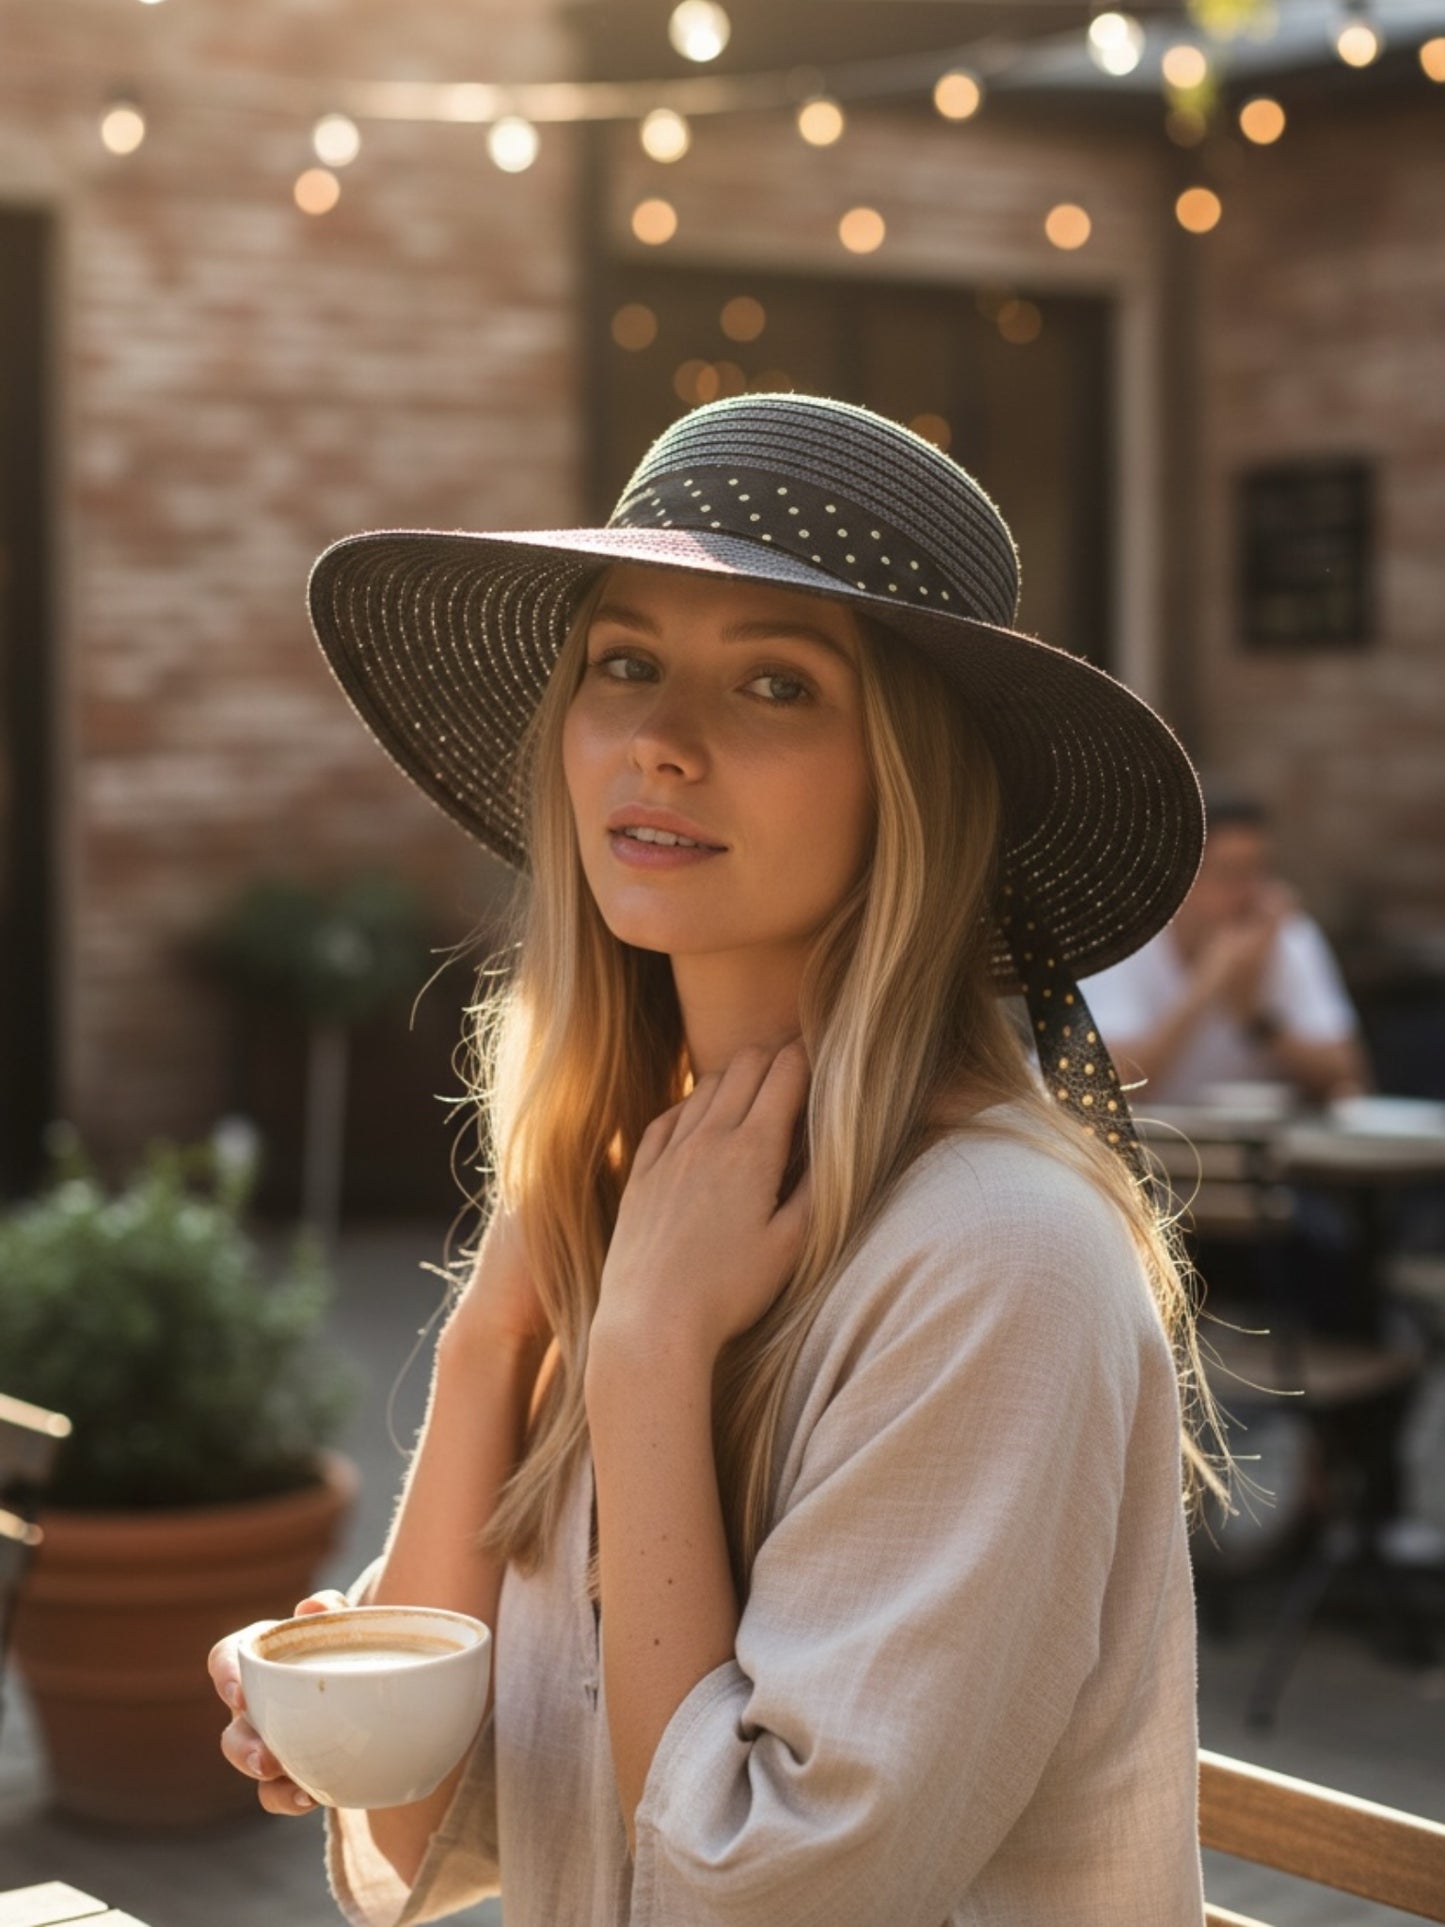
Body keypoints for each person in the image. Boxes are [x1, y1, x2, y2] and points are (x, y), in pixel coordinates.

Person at [209, 394, 1228, 1926]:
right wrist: (498, 1338)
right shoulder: (650, 1183)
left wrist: (644, 1351)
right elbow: (419, 1834)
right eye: (625, 663)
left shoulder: (997, 1254)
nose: (663, 743)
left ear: (913, 784)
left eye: (774, 681)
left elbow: (747, 1898)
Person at [1080, 791, 1370, 1110]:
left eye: (1259, 872)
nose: (1250, 892)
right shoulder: (1119, 938)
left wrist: (1256, 1018)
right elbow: (1102, 1088)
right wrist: (1205, 987)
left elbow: (1347, 1077)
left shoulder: (1284, 934)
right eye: (1231, 874)